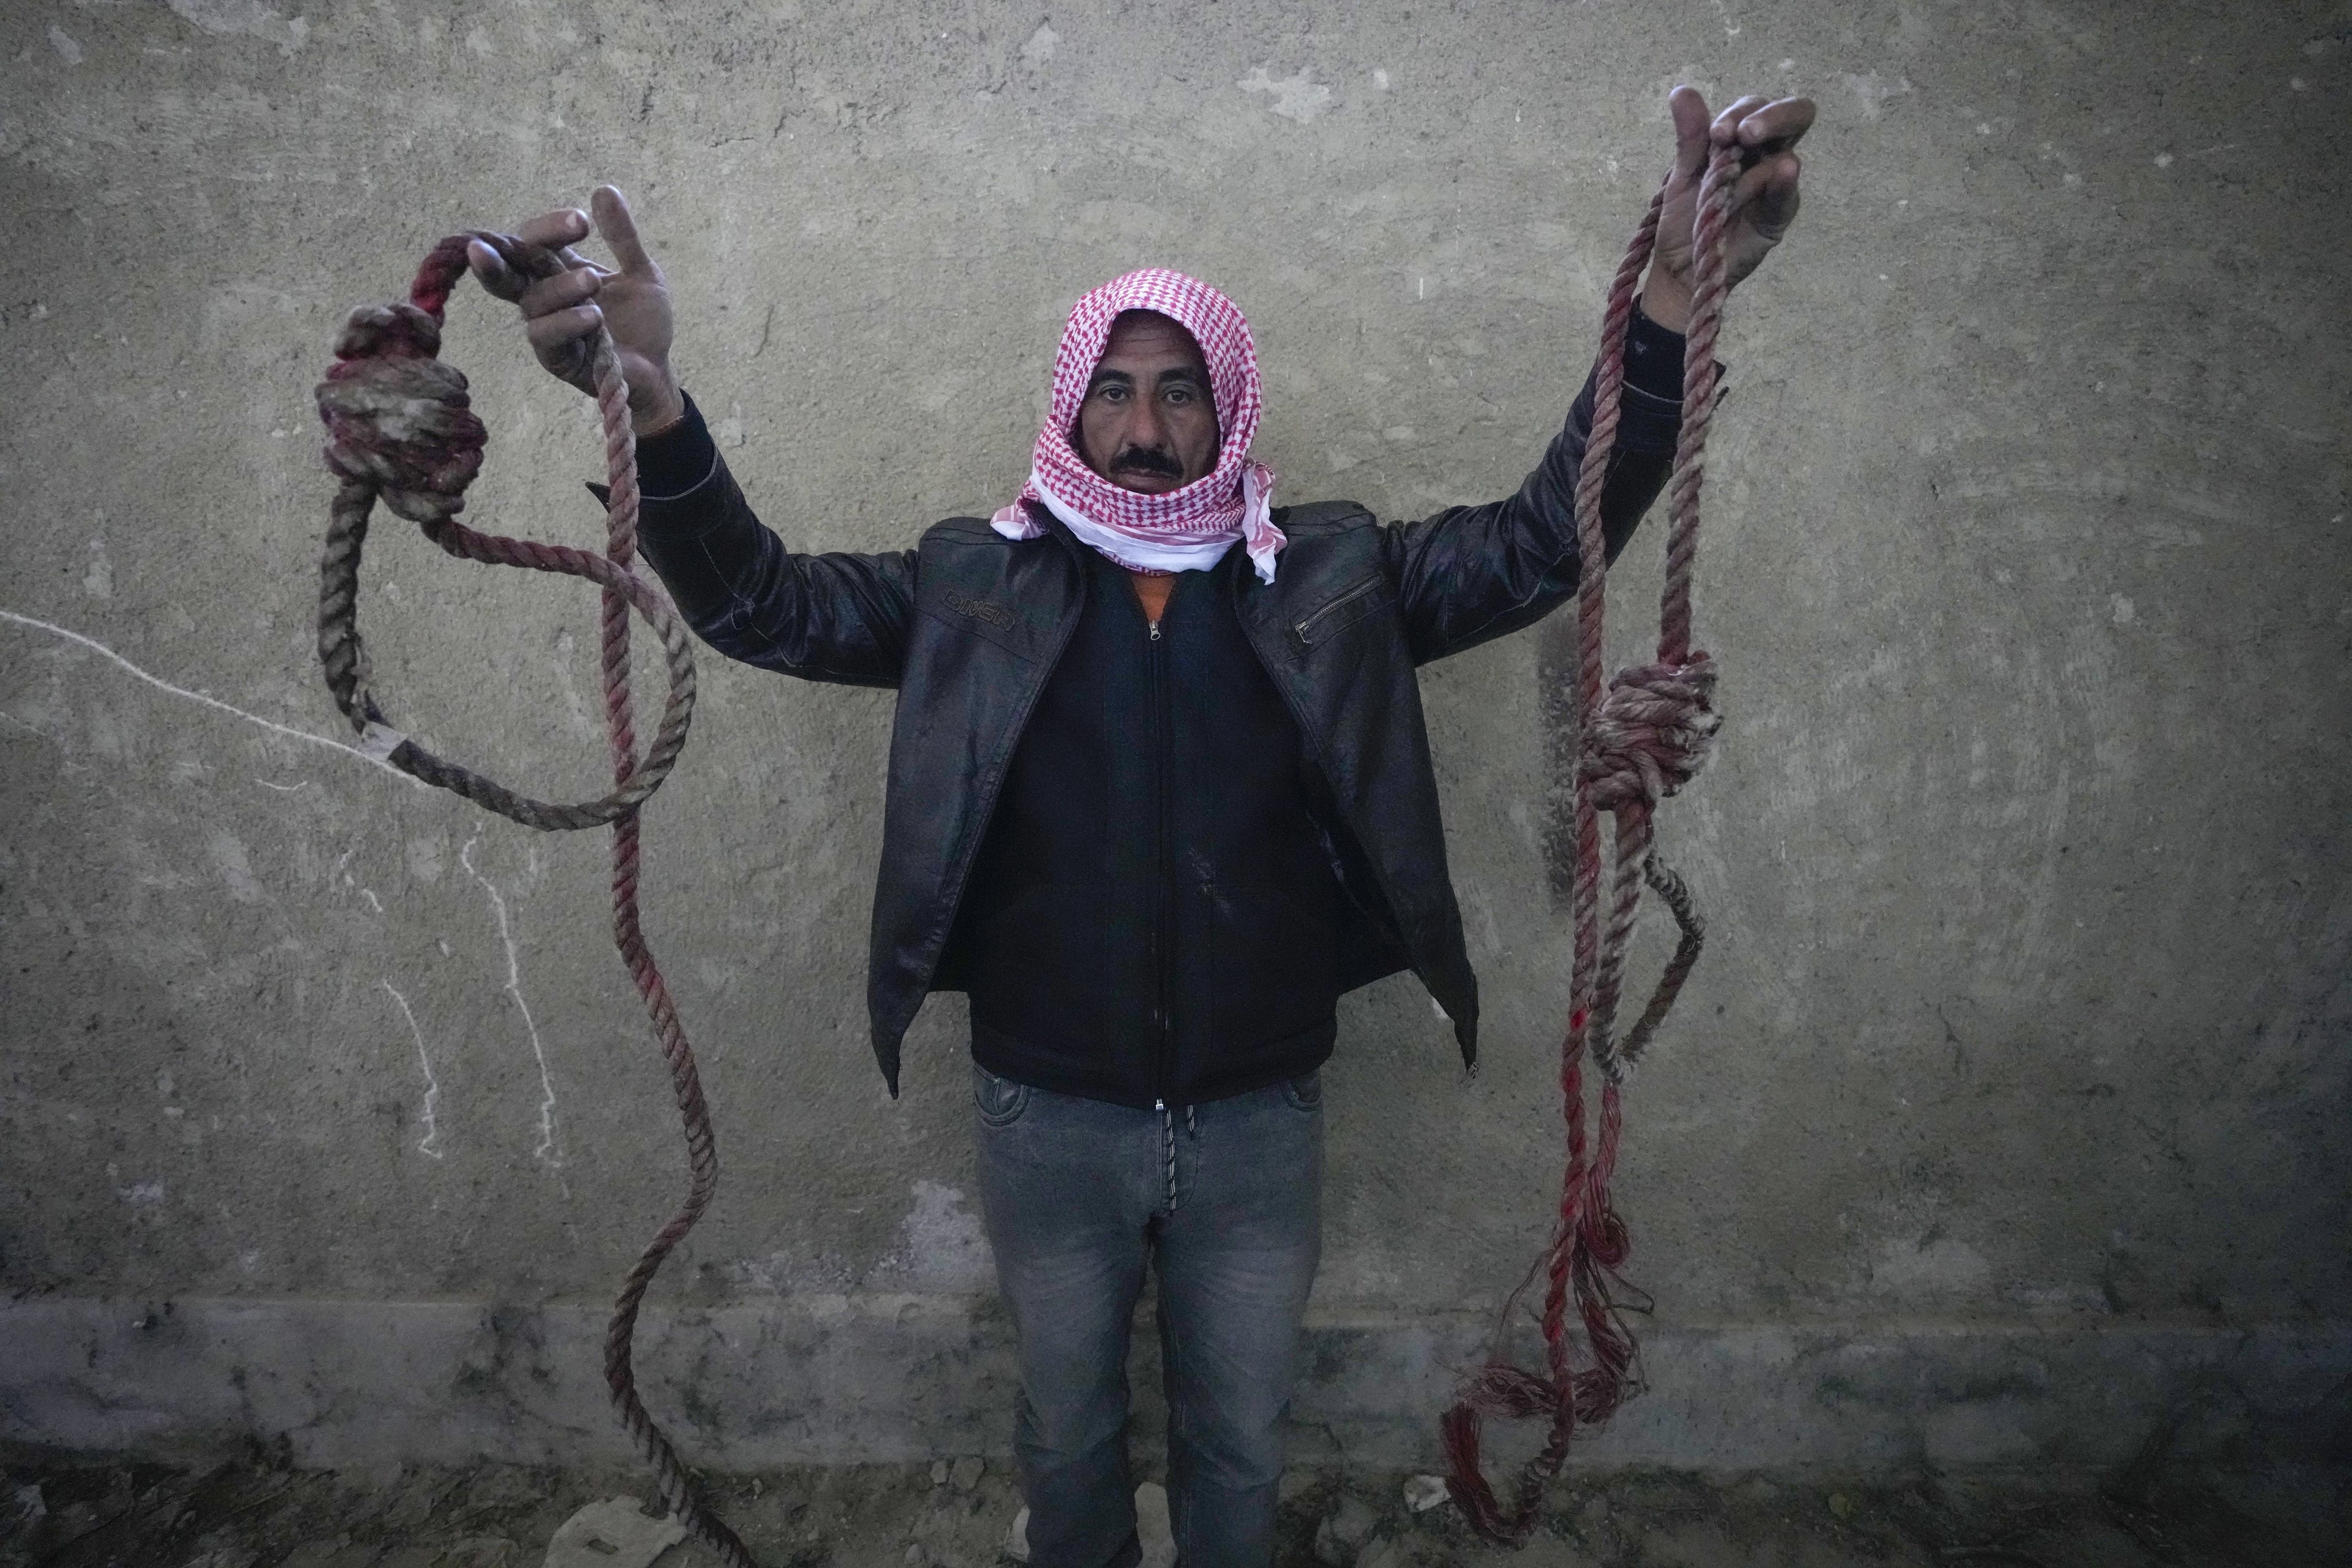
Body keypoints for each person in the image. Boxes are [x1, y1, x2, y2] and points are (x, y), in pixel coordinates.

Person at [469, 84, 1811, 1568]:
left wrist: (1675, 306)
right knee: (1070, 1434)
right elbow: (760, 605)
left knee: (1240, 1436)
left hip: (1260, 1118)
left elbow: (1542, 537)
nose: (1147, 426)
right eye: (1115, 388)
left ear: (1228, 406)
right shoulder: (973, 584)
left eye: (1181, 390)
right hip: (1049, 1117)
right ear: (1068, 404)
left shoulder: (1333, 574)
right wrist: (648, 407)